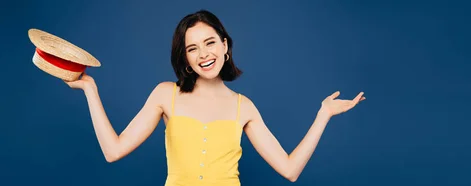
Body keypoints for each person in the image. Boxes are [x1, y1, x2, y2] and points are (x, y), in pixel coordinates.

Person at [65, 9, 365, 186]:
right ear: (185, 58)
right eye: (192, 48)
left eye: (210, 43)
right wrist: (91, 90)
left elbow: (290, 170)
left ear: (225, 46)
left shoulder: (242, 107)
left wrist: (322, 115)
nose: (203, 54)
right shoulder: (165, 94)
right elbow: (113, 151)